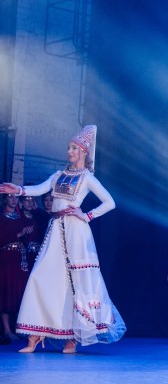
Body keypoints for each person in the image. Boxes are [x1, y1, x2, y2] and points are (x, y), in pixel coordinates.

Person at [0, 125, 126, 354]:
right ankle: (36, 334)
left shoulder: (87, 178)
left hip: (76, 231)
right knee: (41, 276)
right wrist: (18, 190)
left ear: (83, 152)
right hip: (56, 229)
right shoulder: (58, 175)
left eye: (73, 148)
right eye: (69, 148)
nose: (69, 151)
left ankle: (73, 337)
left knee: (75, 283)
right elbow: (40, 189)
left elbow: (110, 202)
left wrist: (87, 216)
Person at [0, 193, 32, 344]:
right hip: (6, 258)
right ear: (5, 199)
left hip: (20, 258)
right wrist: (20, 233)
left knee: (19, 292)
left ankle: (18, 328)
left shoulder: (20, 218)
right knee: (6, 292)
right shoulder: (1, 218)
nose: (14, 200)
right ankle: (7, 330)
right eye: (10, 197)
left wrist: (26, 234)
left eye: (16, 197)